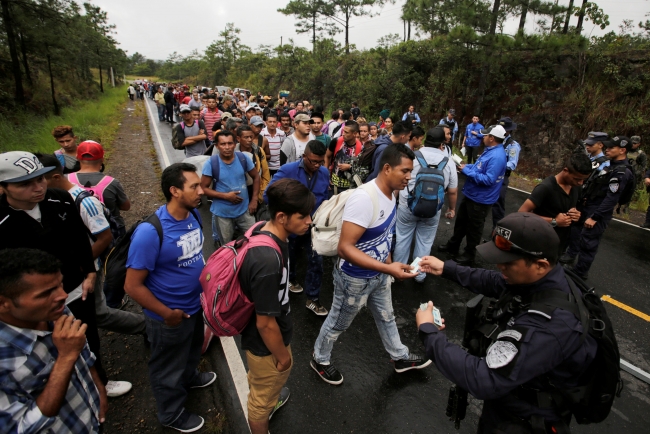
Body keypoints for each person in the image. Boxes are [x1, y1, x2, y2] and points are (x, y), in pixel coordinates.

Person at [416, 212, 597, 434]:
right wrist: (446, 268)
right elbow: (496, 281)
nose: (500, 267)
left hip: (525, 421)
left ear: (540, 264)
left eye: (507, 263)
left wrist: (429, 333)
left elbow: (484, 378)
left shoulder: (549, 325)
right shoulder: (545, 277)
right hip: (512, 399)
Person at [311, 144, 431, 385]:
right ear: (387, 168)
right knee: (338, 322)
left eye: (411, 171)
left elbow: (384, 234)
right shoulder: (364, 199)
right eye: (405, 171)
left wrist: (389, 264)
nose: (409, 177)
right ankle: (319, 358)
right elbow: (345, 248)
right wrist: (388, 269)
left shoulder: (393, 194)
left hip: (379, 274)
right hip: (353, 279)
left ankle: (399, 357)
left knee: (387, 316)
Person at [0, 151, 108, 392]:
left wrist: (90, 273)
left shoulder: (59, 199)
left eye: (40, 179)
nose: (38, 188)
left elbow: (80, 238)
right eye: (25, 184)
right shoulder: (3, 221)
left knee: (89, 337)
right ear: (4, 187)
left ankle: (100, 383)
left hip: (76, 287)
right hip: (35, 303)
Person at [125, 163, 216, 432]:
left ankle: (190, 377)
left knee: (190, 352)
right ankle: (171, 414)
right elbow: (133, 285)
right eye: (194, 187)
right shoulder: (150, 232)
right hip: (168, 318)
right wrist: (167, 314)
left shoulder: (194, 214)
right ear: (175, 191)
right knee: (167, 369)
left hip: (194, 308)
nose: (201, 191)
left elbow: (194, 257)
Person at [0, 248, 108, 433]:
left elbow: (83, 353)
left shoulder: (55, 310)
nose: (63, 296)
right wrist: (65, 358)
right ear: (4, 303)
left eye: (60, 284)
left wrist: (98, 390)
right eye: (46, 293)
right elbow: (18, 428)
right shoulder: (5, 358)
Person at [38, 154, 145, 339]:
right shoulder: (49, 201)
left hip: (87, 268)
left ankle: (148, 326)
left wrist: (81, 267)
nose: (36, 187)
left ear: (55, 177)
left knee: (98, 313)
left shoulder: (84, 202)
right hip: (71, 270)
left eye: (40, 180)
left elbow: (104, 238)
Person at [240, 179, 314, 433]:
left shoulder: (264, 228)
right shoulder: (267, 261)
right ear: (282, 217)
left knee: (262, 386)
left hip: (267, 337)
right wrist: (283, 358)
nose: (310, 221)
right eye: (303, 216)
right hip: (265, 346)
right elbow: (265, 323)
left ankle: (270, 395)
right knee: (260, 404)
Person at [265, 141, 330, 315]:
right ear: (304, 157)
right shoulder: (288, 170)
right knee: (288, 259)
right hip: (290, 228)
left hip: (313, 227)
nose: (316, 165)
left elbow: (325, 198)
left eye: (320, 162)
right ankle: (291, 280)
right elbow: (268, 194)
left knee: (317, 261)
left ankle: (313, 298)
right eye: (313, 161)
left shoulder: (324, 173)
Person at [562, 136, 635, 280]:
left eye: (611, 148)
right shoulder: (610, 165)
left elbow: (611, 198)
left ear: (622, 150)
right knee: (576, 232)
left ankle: (580, 273)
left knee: (588, 242)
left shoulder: (621, 171)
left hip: (598, 210)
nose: (607, 150)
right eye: (606, 147)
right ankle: (571, 257)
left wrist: (595, 217)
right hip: (588, 204)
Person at [393, 130, 459, 284]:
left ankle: (399, 272)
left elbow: (399, 179)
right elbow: (453, 190)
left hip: (407, 205)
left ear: (424, 141)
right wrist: (451, 208)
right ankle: (419, 274)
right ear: (442, 144)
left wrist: (392, 200)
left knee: (402, 238)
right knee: (425, 241)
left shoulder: (412, 156)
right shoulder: (448, 161)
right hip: (432, 209)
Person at [438, 125, 507, 265]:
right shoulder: (490, 151)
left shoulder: (497, 156)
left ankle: (469, 254)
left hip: (481, 199)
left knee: (474, 229)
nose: (483, 138)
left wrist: (466, 172)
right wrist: (465, 166)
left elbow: (488, 179)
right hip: (472, 194)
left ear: (492, 138)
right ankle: (453, 244)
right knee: (461, 222)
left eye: (485, 136)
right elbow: (478, 168)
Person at [518, 152, 593, 254]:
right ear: (565, 170)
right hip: (539, 244)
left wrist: (576, 214)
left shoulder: (575, 186)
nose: (580, 183)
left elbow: (571, 207)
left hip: (559, 245)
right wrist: (554, 221)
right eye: (577, 179)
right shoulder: (546, 188)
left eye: (584, 179)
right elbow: (521, 214)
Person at [201, 131, 260, 245]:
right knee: (227, 245)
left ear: (235, 144)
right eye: (223, 144)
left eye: (230, 143)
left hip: (244, 211)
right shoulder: (211, 163)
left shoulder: (243, 158)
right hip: (223, 214)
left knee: (254, 241)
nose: (227, 147)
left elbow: (256, 176)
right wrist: (225, 196)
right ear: (217, 146)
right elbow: (203, 188)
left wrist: (254, 200)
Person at [491, 117, 521, 229]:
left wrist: (498, 165)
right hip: (490, 175)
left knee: (498, 205)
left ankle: (497, 230)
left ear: (508, 130)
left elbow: (512, 164)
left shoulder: (512, 145)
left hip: (501, 177)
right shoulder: (494, 140)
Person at [326, 120, 364, 195]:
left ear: (355, 134)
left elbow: (363, 168)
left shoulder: (361, 148)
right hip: (333, 185)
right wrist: (326, 174)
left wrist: (350, 166)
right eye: (343, 131)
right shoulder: (336, 142)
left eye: (346, 132)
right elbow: (327, 156)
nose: (343, 134)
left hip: (350, 189)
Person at [236, 125, 271, 208]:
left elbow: (265, 173)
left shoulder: (258, 151)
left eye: (251, 137)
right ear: (238, 138)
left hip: (256, 190)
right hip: (239, 192)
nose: (249, 140)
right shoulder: (233, 153)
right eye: (246, 137)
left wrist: (262, 192)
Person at [262, 113, 286, 177]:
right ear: (266, 122)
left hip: (278, 166)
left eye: (274, 122)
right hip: (266, 166)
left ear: (277, 123)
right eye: (270, 122)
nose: (272, 124)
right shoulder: (262, 133)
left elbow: (284, 148)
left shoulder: (281, 133)